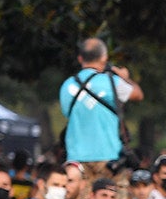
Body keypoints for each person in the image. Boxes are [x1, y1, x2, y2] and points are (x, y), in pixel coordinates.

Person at [59, 38, 143, 182]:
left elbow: (67, 114)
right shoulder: (112, 82)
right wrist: (125, 78)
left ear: (80, 58)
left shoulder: (67, 85)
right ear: (104, 58)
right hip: (109, 157)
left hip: (76, 158)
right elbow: (138, 94)